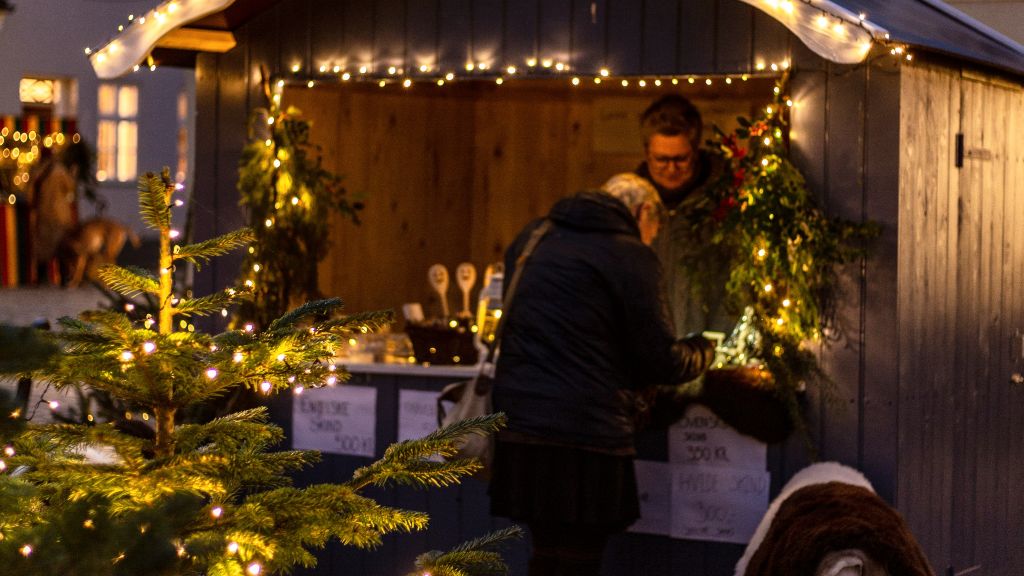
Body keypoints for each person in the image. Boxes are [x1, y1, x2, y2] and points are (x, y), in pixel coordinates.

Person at [489, 173, 716, 576]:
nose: (651, 238)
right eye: (654, 229)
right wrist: (704, 349)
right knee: (581, 557)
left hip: (522, 425)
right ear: (643, 212)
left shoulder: (534, 236)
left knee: (546, 550)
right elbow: (659, 360)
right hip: (587, 431)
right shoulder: (630, 254)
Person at [636, 94, 732, 336]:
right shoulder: (630, 207)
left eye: (680, 159)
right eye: (661, 160)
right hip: (645, 352)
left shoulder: (725, 204)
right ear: (647, 154)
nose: (671, 169)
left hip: (712, 350)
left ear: (695, 151)